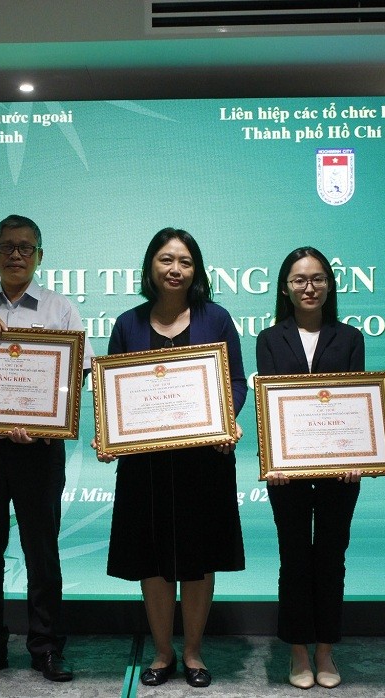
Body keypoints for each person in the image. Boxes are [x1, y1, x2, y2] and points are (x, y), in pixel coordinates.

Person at [0, 214, 93, 683]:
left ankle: (46, 647)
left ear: (40, 256)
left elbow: (77, 374)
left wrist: (44, 423)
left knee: (41, 548)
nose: (16, 255)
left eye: (26, 247)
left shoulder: (61, 310)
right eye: (7, 246)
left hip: (39, 448)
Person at [96, 228, 246, 689]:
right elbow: (111, 390)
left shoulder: (216, 318)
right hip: (145, 466)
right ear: (150, 267)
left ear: (196, 270)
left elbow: (236, 381)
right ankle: (163, 653)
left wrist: (226, 420)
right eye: (165, 259)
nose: (175, 269)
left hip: (204, 462)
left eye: (184, 261)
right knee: (153, 561)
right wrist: (109, 434)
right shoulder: (127, 323)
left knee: (199, 560)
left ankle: (195, 653)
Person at [255, 246, 366, 690]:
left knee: (333, 557)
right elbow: (268, 406)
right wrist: (273, 460)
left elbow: (358, 406)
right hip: (288, 472)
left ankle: (326, 650)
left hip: (341, 472)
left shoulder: (351, 337)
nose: (309, 287)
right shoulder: (269, 338)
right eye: (299, 279)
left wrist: (359, 458)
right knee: (295, 557)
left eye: (318, 278)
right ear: (285, 287)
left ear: (330, 286)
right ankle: (298, 651)